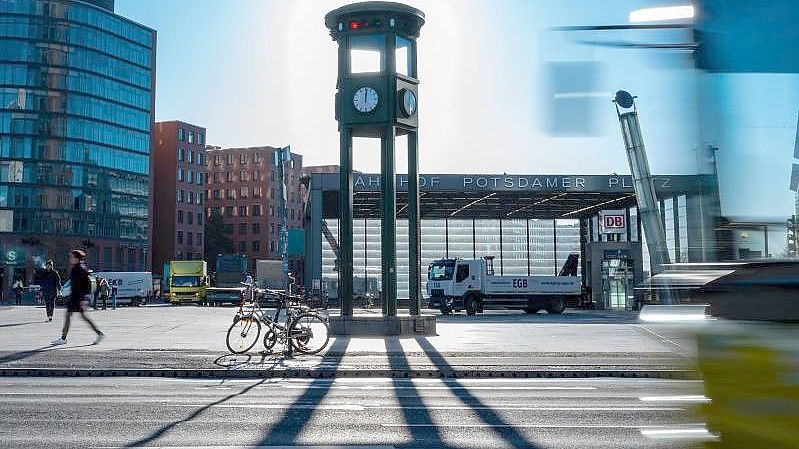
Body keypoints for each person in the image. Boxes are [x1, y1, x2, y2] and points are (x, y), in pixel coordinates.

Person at [51, 250, 104, 345]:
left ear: (76, 258)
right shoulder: (78, 267)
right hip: (75, 297)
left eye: (71, 257)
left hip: (77, 298)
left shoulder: (79, 269)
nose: (70, 259)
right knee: (71, 316)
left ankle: (98, 333)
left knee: (78, 317)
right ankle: (64, 338)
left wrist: (82, 300)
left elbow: (82, 286)